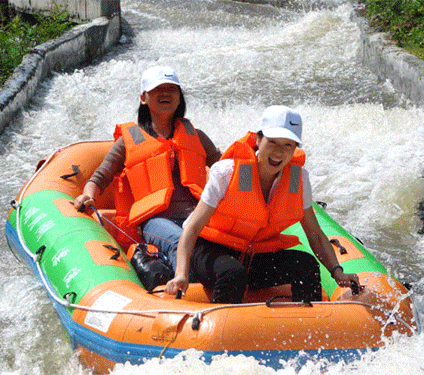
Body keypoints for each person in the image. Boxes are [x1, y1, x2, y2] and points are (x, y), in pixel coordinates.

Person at [164, 105, 360, 304]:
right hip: (211, 252)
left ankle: (310, 325)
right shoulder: (226, 172)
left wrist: (337, 272)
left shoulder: (299, 179)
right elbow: (192, 227)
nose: (278, 152)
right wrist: (181, 273)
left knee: (306, 264)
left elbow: (315, 235)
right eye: (272, 142)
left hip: (255, 257)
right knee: (233, 273)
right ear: (258, 140)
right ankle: (225, 329)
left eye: (288, 145)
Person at [73, 66, 222, 275]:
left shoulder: (197, 137)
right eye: (158, 89)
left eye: (172, 89)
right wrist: (87, 195)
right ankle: (184, 283)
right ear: (144, 98)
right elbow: (99, 177)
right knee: (179, 241)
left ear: (179, 98)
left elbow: (225, 172)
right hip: (155, 220)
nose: (165, 93)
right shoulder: (129, 141)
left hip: (196, 216)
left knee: (223, 243)